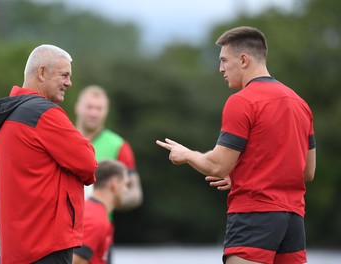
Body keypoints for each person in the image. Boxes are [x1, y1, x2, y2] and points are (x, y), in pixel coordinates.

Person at [156, 26, 316, 264]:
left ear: (243, 60)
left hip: (254, 217)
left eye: (223, 60)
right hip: (293, 221)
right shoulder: (300, 104)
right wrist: (246, 174)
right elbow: (306, 171)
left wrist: (187, 154)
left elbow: (217, 166)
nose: (220, 68)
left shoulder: (241, 101)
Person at [0, 44, 97, 264]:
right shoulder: (44, 113)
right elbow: (88, 164)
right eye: (64, 75)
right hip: (45, 246)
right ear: (41, 72)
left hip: (16, 248)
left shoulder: (10, 114)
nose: (69, 82)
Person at [74, 85, 143, 209]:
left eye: (99, 108)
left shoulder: (119, 145)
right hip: (63, 223)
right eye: (89, 107)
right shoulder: (63, 137)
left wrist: (107, 200)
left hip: (97, 223)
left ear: (106, 111)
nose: (93, 113)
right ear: (78, 108)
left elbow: (135, 193)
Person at [72, 159, 130, 264]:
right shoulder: (96, 218)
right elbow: (75, 260)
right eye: (125, 184)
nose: (126, 190)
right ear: (114, 184)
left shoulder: (95, 213)